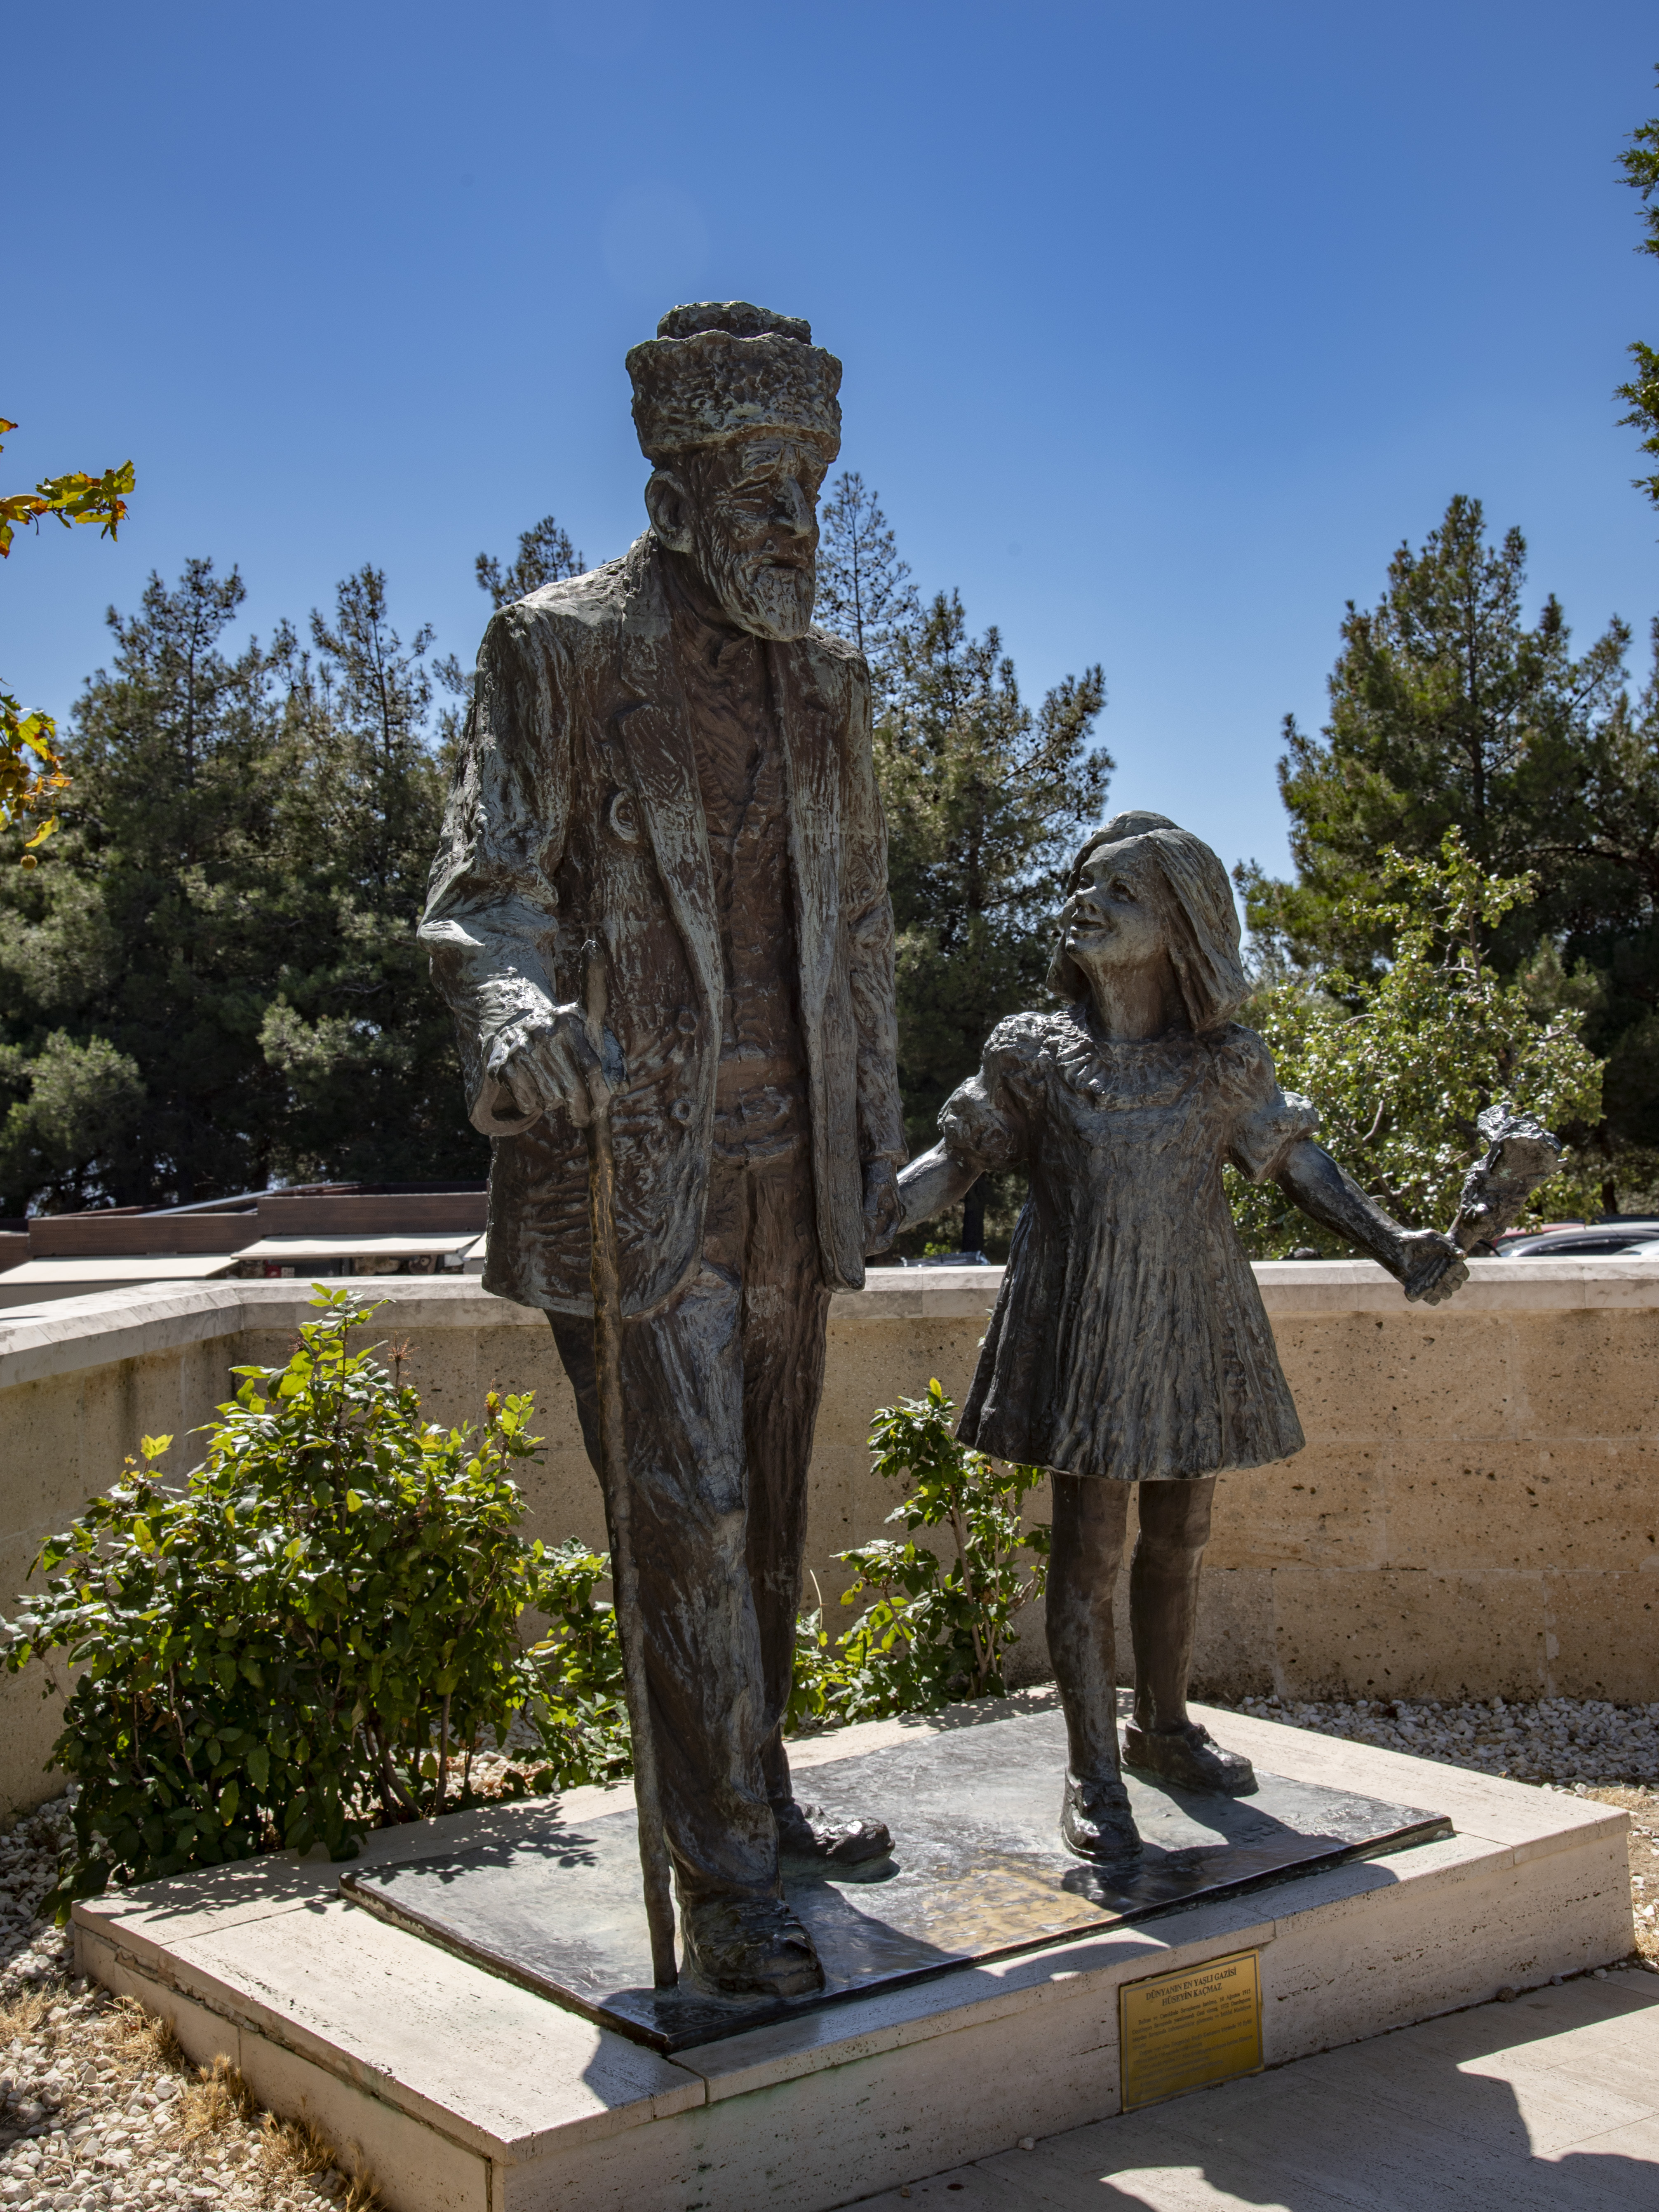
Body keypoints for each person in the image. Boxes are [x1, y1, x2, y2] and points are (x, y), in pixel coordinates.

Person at [419, 303, 905, 1996]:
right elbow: (485, 886)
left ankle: (756, 1787)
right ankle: (726, 1885)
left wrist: (870, 1138)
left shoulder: (831, 686)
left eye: (811, 492)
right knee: (683, 1517)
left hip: (792, 1175)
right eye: (763, 491)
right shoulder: (555, 652)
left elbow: (860, 933)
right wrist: (510, 1009)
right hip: (630, 1161)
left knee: (766, 1514)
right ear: (672, 497)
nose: (797, 525)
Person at [897, 811, 1467, 1864]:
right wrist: (859, 1223)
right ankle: (1091, 1770)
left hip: (1191, 1317)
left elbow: (1294, 1164)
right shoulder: (1031, 1054)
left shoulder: (1221, 1062)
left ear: (1179, 926)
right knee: (1088, 1546)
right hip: (1088, 1324)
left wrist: (1394, 1242)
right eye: (1081, 883)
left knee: (1180, 1533)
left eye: (1119, 892)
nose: (1085, 901)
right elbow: (953, 1164)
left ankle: (1161, 1728)